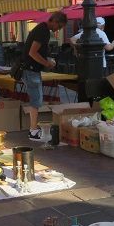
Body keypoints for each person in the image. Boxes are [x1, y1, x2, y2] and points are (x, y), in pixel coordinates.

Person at [22, 11, 68, 140]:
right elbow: (32, 52)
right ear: (54, 21)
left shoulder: (41, 29)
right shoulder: (43, 31)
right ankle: (33, 130)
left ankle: (33, 128)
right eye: (58, 27)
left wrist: (46, 60)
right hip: (30, 70)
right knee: (36, 99)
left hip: (31, 69)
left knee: (36, 99)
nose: (57, 30)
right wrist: (47, 63)